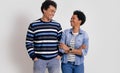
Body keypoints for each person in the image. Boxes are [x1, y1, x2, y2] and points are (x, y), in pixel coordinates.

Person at [25, 0, 62, 73]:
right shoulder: (33, 25)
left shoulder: (57, 25)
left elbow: (62, 41)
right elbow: (28, 42)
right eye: (51, 11)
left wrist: (60, 54)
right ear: (44, 10)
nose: (53, 13)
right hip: (39, 60)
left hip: (54, 59)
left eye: (54, 11)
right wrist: (33, 56)